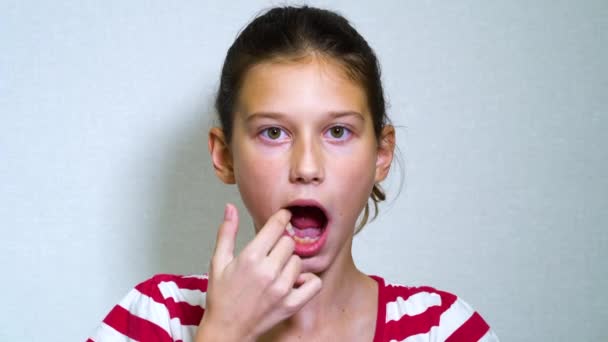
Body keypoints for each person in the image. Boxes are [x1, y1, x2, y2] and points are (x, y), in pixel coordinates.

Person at [88, 5, 498, 342]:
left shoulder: (443, 330)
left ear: (381, 154)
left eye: (337, 132)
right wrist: (223, 332)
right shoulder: (156, 317)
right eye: (273, 132)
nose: (306, 168)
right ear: (225, 156)